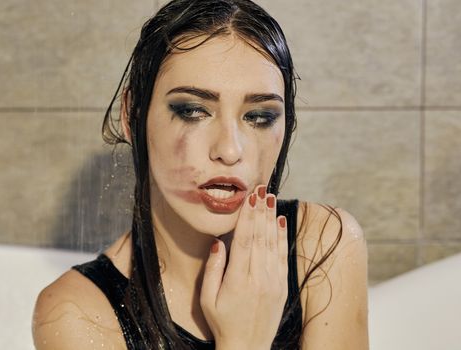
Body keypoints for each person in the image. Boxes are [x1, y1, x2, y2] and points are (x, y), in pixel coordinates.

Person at [32, 0, 369, 349]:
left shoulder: (324, 246)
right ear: (133, 115)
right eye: (193, 110)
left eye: (259, 116)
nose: (230, 149)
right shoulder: (77, 312)